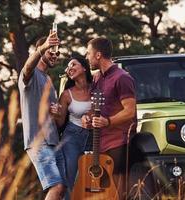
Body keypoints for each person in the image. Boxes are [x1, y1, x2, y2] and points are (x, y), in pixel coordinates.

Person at [82, 37, 137, 199]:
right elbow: (97, 109)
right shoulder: (97, 78)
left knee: (119, 192)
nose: (86, 57)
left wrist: (108, 121)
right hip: (101, 145)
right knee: (105, 192)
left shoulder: (122, 78)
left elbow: (130, 111)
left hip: (119, 143)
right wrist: (88, 118)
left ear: (98, 55)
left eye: (88, 53)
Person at [18, 31, 66, 200]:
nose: (55, 54)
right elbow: (28, 67)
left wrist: (57, 113)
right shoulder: (29, 74)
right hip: (38, 142)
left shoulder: (48, 80)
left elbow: (57, 118)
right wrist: (44, 46)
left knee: (62, 190)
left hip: (54, 141)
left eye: (57, 52)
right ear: (40, 49)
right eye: (50, 50)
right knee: (56, 186)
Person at [53, 56, 93, 197]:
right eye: (68, 67)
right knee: (71, 178)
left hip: (95, 137)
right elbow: (60, 123)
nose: (69, 68)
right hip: (72, 138)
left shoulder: (96, 88)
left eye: (73, 64)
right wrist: (56, 114)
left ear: (84, 67)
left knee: (93, 176)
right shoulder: (66, 95)